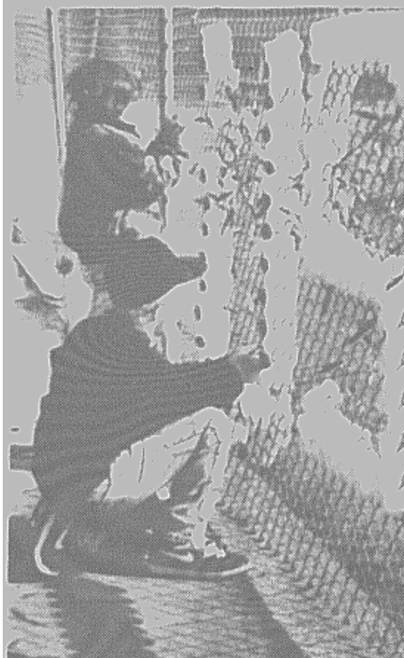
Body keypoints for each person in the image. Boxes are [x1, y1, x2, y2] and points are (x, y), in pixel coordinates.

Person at [31, 250, 268, 580]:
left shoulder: (93, 332)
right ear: (154, 305)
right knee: (214, 424)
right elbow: (172, 392)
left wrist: (224, 368)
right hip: (88, 489)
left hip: (58, 480)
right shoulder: (129, 346)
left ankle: (82, 527)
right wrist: (234, 372)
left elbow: (158, 387)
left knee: (153, 432)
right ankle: (180, 546)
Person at [58, 57, 188, 287]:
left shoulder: (83, 129)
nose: (122, 106)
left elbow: (130, 171)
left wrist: (156, 150)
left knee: (161, 256)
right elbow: (148, 185)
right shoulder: (99, 137)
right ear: (94, 95)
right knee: (165, 262)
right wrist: (168, 147)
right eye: (116, 98)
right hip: (100, 244)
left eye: (125, 99)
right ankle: (111, 297)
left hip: (86, 237)